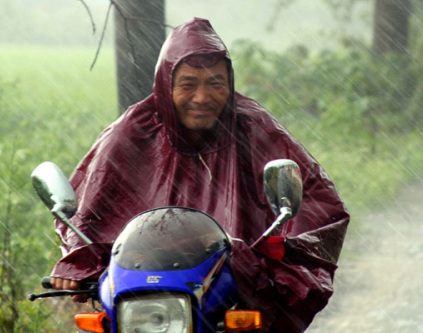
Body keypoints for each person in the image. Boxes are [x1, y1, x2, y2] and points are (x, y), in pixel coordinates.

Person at [50, 17, 349, 332]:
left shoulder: (255, 128)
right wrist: (79, 258)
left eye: (215, 83)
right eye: (189, 84)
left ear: (229, 84)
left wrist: (277, 254)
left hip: (232, 294)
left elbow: (318, 203)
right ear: (167, 85)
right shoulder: (133, 131)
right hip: (143, 291)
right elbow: (88, 205)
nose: (203, 97)